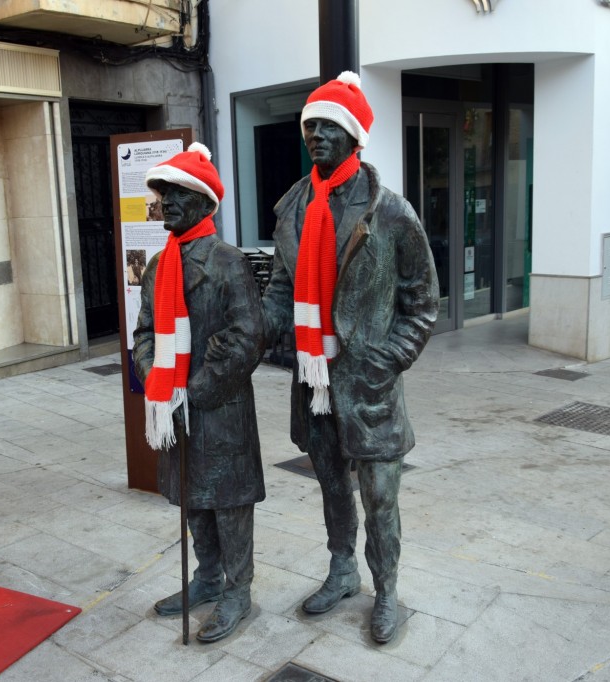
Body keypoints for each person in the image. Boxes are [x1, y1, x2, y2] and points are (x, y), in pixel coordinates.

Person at [261, 71, 439, 644]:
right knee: (332, 485)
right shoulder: (293, 208)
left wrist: (392, 355)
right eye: (311, 123)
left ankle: (386, 591)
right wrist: (258, 336)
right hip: (313, 379)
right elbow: (280, 290)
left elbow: (423, 302)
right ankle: (342, 571)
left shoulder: (390, 212)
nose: (316, 133)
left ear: (355, 136)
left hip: (368, 383)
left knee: (380, 495)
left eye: (329, 125)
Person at [132, 142, 265, 643]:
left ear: (205, 202)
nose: (165, 201)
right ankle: (207, 576)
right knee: (192, 498)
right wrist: (156, 379)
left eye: (177, 192)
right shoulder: (156, 267)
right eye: (162, 192)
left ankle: (238, 589)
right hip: (173, 407)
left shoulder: (228, 262)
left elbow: (248, 334)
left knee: (228, 503)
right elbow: (144, 333)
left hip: (218, 406)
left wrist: (198, 387)